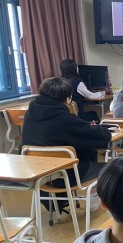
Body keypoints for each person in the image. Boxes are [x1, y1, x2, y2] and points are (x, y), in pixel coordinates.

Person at [21, 76, 111, 210]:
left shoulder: (29, 115)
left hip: (38, 175)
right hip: (64, 177)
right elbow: (103, 136)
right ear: (68, 98)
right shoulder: (64, 119)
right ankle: (98, 203)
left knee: (84, 151)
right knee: (110, 167)